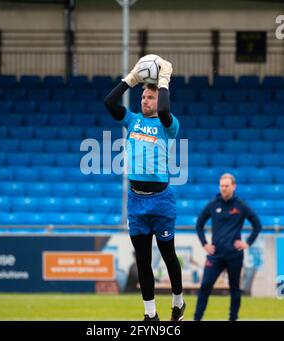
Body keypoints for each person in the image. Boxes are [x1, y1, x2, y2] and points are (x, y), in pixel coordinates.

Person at [104, 57, 185, 321]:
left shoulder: (168, 124)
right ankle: (150, 314)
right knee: (142, 260)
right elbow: (109, 103)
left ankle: (178, 302)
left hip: (161, 200)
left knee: (168, 255)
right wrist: (130, 79)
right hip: (136, 202)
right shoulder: (133, 121)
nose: (145, 101)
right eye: (143, 98)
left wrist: (163, 81)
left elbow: (163, 110)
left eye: (150, 98)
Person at [194, 173, 262, 321]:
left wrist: (247, 243)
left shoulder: (241, 205)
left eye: (226, 186)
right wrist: (205, 244)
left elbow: (257, 224)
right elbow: (199, 224)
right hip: (216, 255)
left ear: (233, 186)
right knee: (205, 286)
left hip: (234, 255)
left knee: (234, 289)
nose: (223, 188)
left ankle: (233, 318)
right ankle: (196, 319)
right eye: (221, 186)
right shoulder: (213, 205)